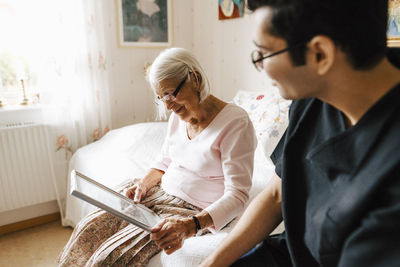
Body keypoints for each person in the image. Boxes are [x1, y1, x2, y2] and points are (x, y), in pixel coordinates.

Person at [201, 0, 400, 266]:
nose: (259, 64)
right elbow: (276, 194)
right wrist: (213, 262)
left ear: (320, 55)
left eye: (263, 53)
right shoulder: (312, 96)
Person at [57, 47, 257, 267]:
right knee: (88, 230)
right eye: (161, 98)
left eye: (171, 93)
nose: (168, 105)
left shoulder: (235, 123)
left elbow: (238, 195)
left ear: (195, 78)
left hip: (189, 209)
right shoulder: (177, 118)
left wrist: (191, 225)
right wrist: (143, 185)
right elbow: (163, 162)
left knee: (108, 258)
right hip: (157, 194)